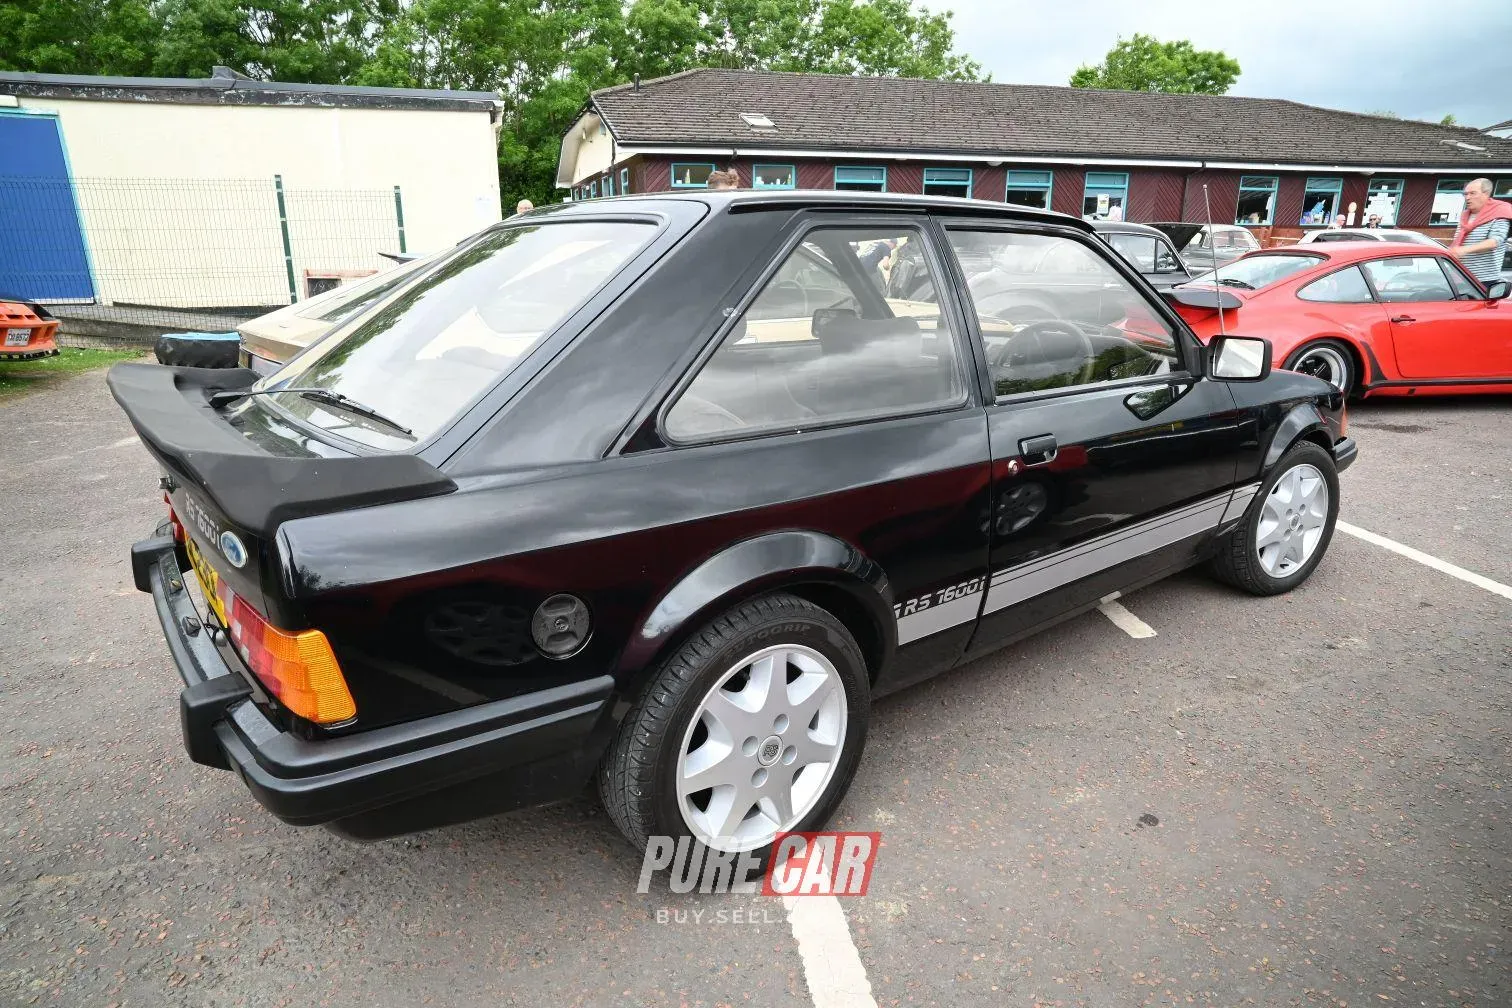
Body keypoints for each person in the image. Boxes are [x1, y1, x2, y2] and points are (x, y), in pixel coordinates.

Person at [1447, 178, 1512, 285]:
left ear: (1486, 194)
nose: (1467, 197)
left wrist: (1464, 250)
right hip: (1460, 276)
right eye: (1466, 194)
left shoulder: (1500, 214)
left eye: (1472, 193)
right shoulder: (1465, 216)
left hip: (1483, 281)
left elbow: (1495, 242)